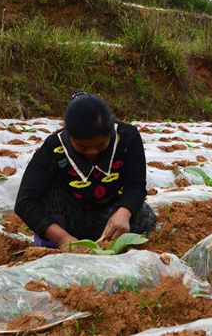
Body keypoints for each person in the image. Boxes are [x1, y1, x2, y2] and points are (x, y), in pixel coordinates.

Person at [15, 92, 155, 249]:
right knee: (48, 194)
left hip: (108, 217)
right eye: (82, 146)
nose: (92, 152)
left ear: (110, 132)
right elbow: (25, 201)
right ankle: (56, 241)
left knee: (144, 216)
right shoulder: (54, 147)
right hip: (68, 220)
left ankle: (110, 240)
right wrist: (63, 239)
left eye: (100, 145)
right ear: (69, 135)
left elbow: (135, 185)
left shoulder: (127, 137)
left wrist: (124, 212)